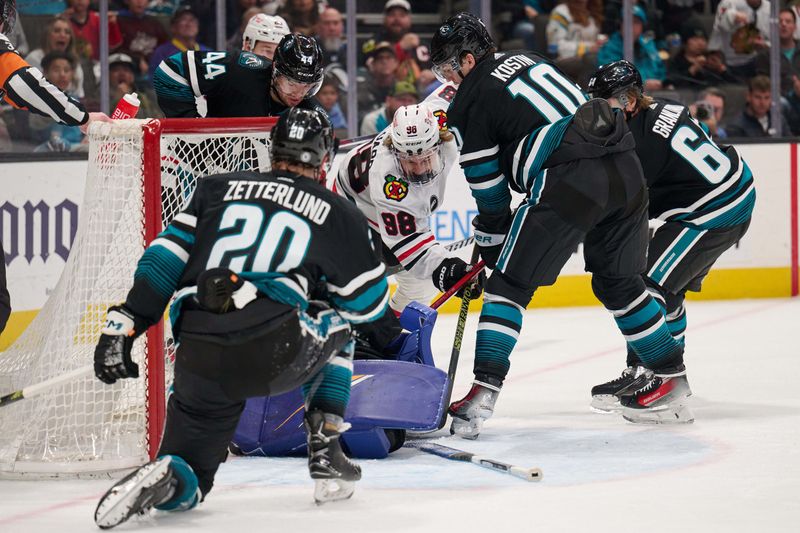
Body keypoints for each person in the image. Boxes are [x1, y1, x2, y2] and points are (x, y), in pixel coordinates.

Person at [92, 108, 390, 529]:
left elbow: (163, 258)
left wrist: (126, 322)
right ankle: (325, 449)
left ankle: (172, 471)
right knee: (339, 325)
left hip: (197, 345)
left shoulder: (213, 188)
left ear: (274, 150)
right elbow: (370, 307)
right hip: (272, 346)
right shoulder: (336, 210)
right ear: (324, 158)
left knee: (192, 472)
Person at [431, 13, 688, 437]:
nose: (447, 77)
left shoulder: (468, 102)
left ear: (468, 60)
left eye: (447, 66)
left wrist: (494, 239)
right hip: (627, 168)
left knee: (507, 287)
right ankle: (671, 379)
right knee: (619, 284)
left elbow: (489, 191)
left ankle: (480, 396)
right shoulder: (531, 58)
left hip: (570, 176)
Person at [586, 60, 755, 420]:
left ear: (629, 101)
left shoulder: (639, 144)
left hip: (714, 210)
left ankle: (664, 379)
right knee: (666, 290)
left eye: (604, 103)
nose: (596, 112)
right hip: (723, 196)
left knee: (642, 290)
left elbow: (623, 210)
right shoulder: (661, 107)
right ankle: (646, 372)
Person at [337, 87, 477, 315]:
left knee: (419, 288)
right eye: (410, 161)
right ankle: (372, 335)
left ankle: (391, 331)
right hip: (355, 210)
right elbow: (411, 244)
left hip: (371, 199)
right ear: (395, 150)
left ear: (438, 141)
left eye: (425, 158)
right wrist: (448, 270)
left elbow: (461, 85)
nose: (419, 168)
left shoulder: (439, 117)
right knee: (366, 288)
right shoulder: (390, 184)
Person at [152, 32, 325, 118]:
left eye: (307, 86)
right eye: (291, 83)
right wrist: (191, 130)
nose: (298, 94)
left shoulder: (311, 113)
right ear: (274, 70)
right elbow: (171, 70)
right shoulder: (239, 69)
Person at [597, 5, 665, 91]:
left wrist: (662, 82)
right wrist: (642, 83)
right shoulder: (609, 48)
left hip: (656, 93)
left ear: (642, 26)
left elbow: (660, 68)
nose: (631, 27)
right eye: (627, 22)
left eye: (636, 22)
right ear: (620, 25)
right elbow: (611, 78)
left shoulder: (648, 45)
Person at [25, 15, 86, 99]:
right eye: (57, 31)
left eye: (67, 32)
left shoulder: (75, 62)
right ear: (47, 35)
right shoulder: (33, 59)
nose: (63, 35)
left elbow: (79, 95)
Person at [667, 17, 738, 88]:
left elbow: (738, 86)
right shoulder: (677, 62)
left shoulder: (713, 60)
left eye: (703, 39)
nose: (700, 43)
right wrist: (693, 70)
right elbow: (673, 86)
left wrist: (721, 69)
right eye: (695, 39)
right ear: (685, 43)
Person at [708, 0, 770, 80]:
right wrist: (733, 16)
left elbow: (775, 40)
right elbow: (722, 22)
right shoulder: (728, 2)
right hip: (724, 62)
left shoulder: (769, 7)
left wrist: (765, 45)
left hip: (754, 62)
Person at [148, 6, 210, 77]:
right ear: (173, 27)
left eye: (192, 20)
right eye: (183, 20)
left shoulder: (208, 52)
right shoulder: (162, 53)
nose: (189, 24)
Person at [117, 0, 169, 76]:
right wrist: (137, 59)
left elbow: (165, 46)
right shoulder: (119, 21)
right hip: (129, 67)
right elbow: (115, 49)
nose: (140, 2)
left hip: (154, 66)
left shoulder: (154, 23)